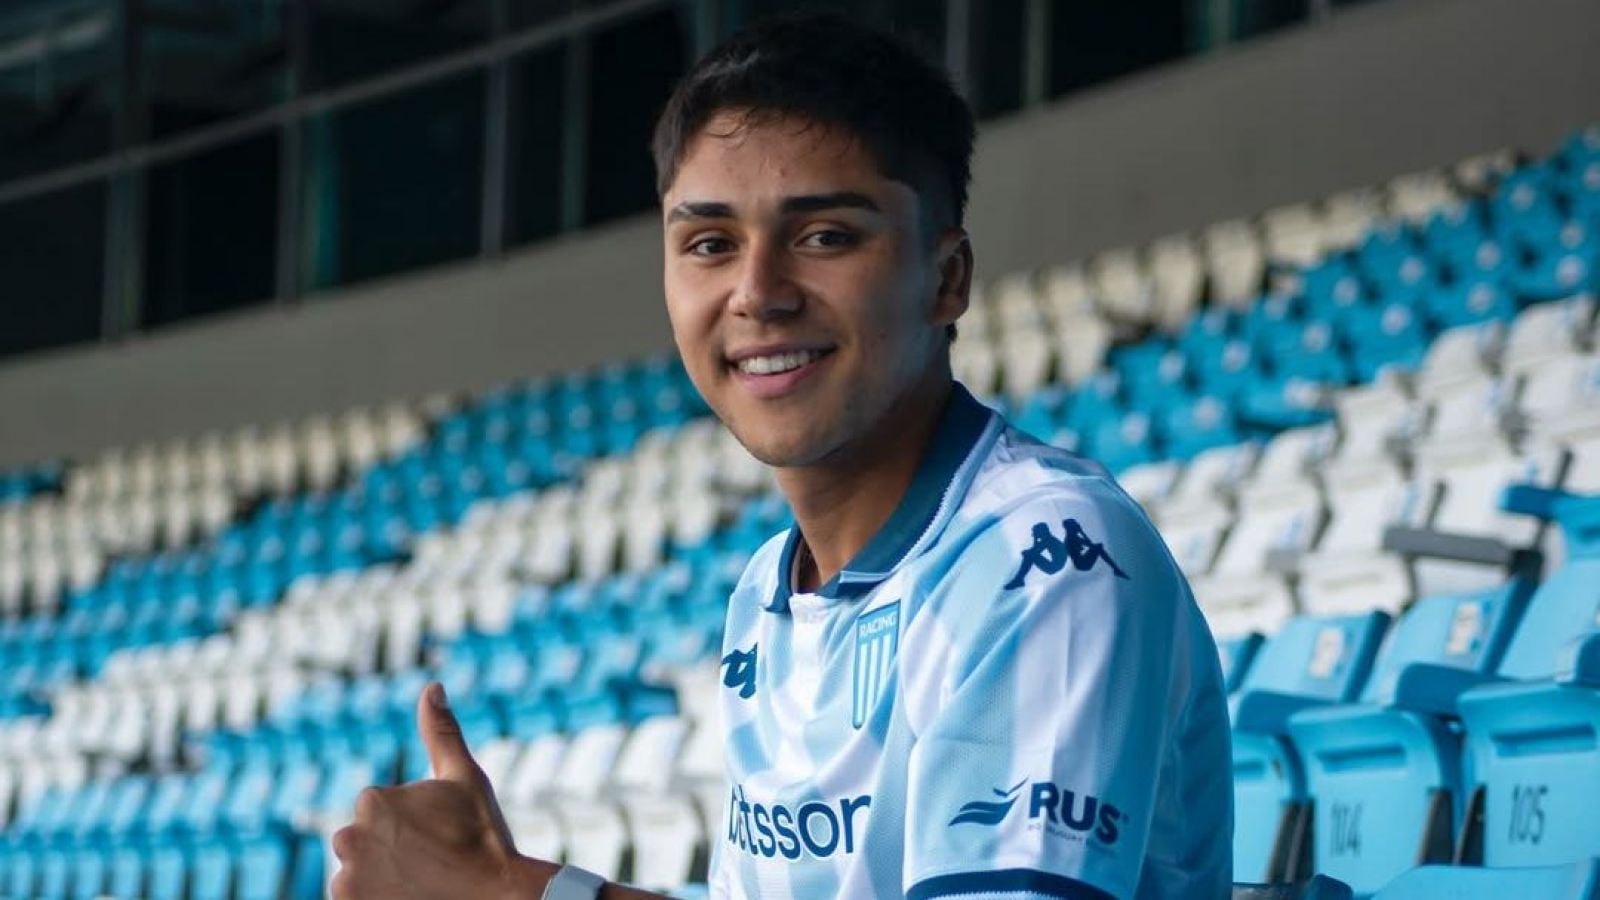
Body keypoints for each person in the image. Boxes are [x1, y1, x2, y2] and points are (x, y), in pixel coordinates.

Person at [331, 13, 1232, 900]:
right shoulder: (767, 591)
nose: (757, 293)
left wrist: (523, 895)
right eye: (710, 245)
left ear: (947, 278)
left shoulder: (1049, 556)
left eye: (825, 236)